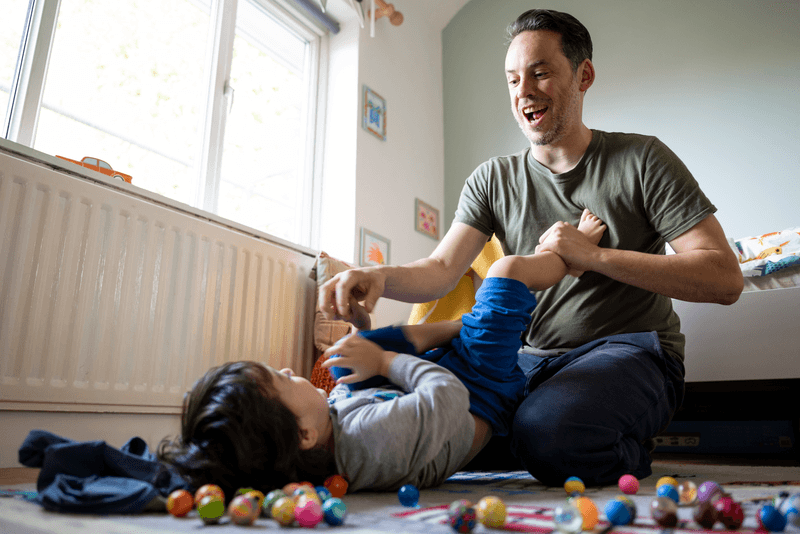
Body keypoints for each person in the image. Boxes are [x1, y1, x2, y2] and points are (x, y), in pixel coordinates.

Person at [318, 9, 744, 487]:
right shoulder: (491, 179)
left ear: (584, 76)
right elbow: (440, 268)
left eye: (541, 73)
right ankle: (540, 432)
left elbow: (725, 278)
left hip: (630, 353)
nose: (524, 91)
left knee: (548, 436)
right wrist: (379, 278)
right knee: (427, 420)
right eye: (513, 79)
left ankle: (607, 444)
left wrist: (595, 257)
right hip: (529, 360)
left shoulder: (642, 159)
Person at [158, 212, 606, 496]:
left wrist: (365, 342)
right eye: (281, 380)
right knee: (506, 270)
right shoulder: (368, 438)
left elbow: (364, 391)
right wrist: (386, 363)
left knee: (350, 355)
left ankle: (478, 325)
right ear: (304, 436)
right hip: (481, 393)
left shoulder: (325, 446)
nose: (288, 368)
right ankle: (571, 252)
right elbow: (446, 398)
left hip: (448, 386)